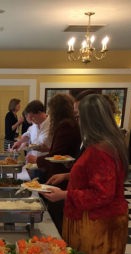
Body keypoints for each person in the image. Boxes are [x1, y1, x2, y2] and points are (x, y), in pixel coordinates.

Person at [42, 94, 129, 254]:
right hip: (96, 220)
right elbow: (96, 176)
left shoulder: (101, 149)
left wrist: (64, 194)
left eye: (79, 117)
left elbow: (102, 195)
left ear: (92, 119)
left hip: (99, 224)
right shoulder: (105, 144)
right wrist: (68, 174)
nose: (77, 122)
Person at [26, 94, 81, 233]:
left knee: (57, 213)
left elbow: (57, 155)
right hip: (63, 172)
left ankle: (57, 239)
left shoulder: (65, 125)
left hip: (59, 175)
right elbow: (59, 151)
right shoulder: (68, 124)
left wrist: (37, 160)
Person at [12, 100, 51, 180]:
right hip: (33, 166)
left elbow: (55, 150)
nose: (31, 120)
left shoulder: (52, 124)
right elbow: (28, 134)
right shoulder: (35, 124)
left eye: (32, 117)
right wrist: (20, 142)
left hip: (46, 167)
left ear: (40, 113)